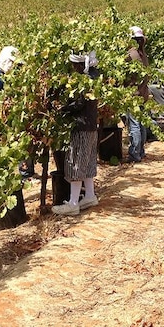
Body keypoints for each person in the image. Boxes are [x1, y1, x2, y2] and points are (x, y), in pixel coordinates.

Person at [52, 51, 101, 216]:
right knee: (87, 163)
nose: (73, 68)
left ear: (81, 65)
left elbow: (79, 104)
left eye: (74, 65)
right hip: (92, 126)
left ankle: (73, 203)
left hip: (81, 127)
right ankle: (89, 195)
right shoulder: (95, 77)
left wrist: (62, 109)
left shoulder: (84, 81)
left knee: (76, 164)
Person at [124, 25, 150, 163]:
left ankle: (135, 154)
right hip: (143, 93)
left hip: (133, 95)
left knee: (134, 124)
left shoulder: (130, 55)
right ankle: (141, 151)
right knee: (141, 123)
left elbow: (123, 75)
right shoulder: (143, 54)